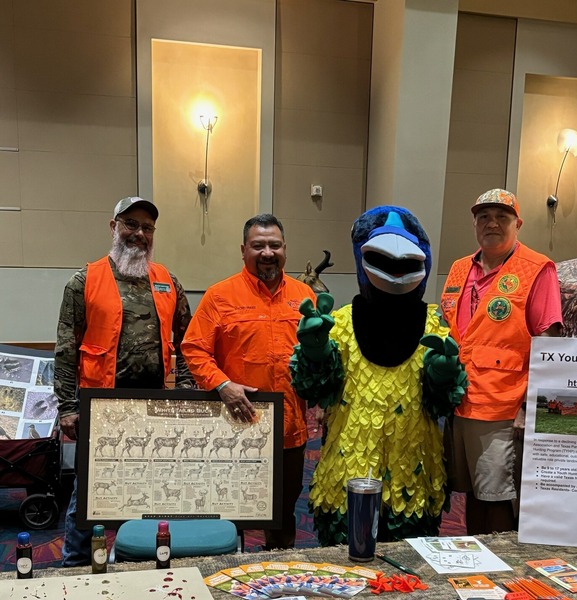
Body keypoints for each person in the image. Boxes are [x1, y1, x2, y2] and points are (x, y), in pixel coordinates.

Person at [290, 205, 467, 546]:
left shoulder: (436, 326)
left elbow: (444, 402)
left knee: (410, 561)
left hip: (413, 471)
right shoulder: (339, 322)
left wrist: (443, 376)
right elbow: (316, 388)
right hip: (347, 469)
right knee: (347, 557)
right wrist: (315, 353)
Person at [54, 196, 195, 566]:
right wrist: (67, 407)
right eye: (131, 224)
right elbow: (66, 350)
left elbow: (189, 343)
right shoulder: (83, 281)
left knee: (152, 488)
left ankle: (148, 561)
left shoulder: (168, 281)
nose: (139, 233)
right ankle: (74, 564)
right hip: (100, 408)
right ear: (113, 226)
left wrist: (185, 394)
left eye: (147, 227)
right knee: (89, 496)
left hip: (155, 408)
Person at [181, 213, 316, 550]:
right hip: (235, 427)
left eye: (274, 245)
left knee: (283, 514)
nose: (267, 252)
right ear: (243, 250)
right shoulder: (219, 296)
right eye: (258, 246)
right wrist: (222, 385)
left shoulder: (305, 297)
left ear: (286, 249)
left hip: (289, 429)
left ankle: (281, 578)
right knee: (230, 513)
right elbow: (193, 348)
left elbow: (319, 355)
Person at [441, 188, 563, 535]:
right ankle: (477, 562)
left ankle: (501, 570)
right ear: (475, 223)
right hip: (460, 404)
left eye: (502, 217)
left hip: (503, 409)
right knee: (472, 495)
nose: (491, 223)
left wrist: (530, 407)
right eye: (483, 216)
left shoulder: (538, 269)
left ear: (518, 223)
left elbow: (548, 345)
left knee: (496, 497)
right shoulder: (459, 269)